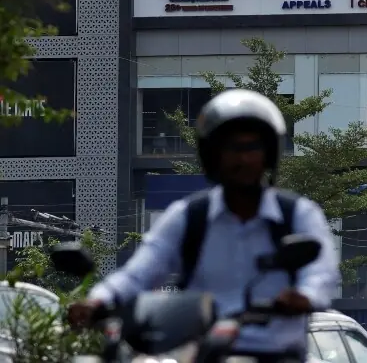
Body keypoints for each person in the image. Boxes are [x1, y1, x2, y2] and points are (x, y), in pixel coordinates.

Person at [68, 89, 341, 362]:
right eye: (232, 148)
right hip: (202, 351)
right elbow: (139, 273)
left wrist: (304, 296)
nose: (243, 159)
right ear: (213, 155)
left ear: (268, 154)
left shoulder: (297, 214)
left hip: (278, 355)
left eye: (252, 148)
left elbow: (322, 272)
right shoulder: (188, 217)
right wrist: (98, 300)